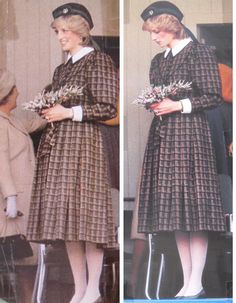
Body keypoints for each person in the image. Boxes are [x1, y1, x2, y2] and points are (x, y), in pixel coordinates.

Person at [26, 3, 118, 303]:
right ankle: (80, 288)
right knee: (69, 224)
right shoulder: (62, 68)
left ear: (81, 33)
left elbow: (108, 107)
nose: (60, 37)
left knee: (88, 221)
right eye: (58, 32)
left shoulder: (98, 61)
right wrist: (49, 109)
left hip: (85, 150)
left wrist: (69, 112)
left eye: (65, 31)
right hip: (60, 150)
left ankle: (94, 289)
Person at [136, 1, 225, 299]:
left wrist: (179, 105)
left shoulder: (199, 52)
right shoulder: (158, 61)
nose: (154, 37)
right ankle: (187, 282)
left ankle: (196, 282)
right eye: (151, 32)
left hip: (191, 138)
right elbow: (156, 95)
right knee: (176, 211)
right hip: (164, 138)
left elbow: (212, 96)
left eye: (157, 31)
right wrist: (155, 104)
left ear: (171, 25)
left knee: (194, 212)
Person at [0, 68, 46, 302]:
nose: (19, 92)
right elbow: (1, 163)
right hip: (13, 202)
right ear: (7, 94)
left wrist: (53, 109)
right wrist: (10, 198)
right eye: (15, 89)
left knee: (26, 259)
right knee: (19, 257)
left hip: (25, 198)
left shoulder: (11, 119)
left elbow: (33, 124)